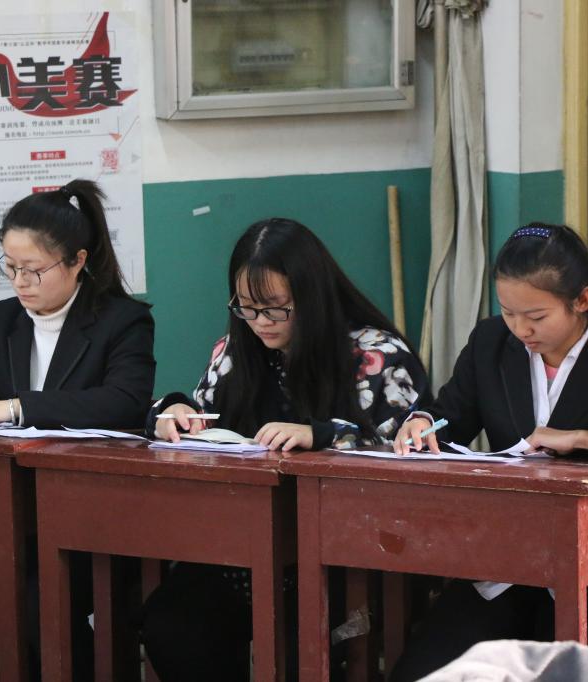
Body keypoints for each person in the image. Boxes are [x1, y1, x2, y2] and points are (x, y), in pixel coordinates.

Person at [389, 223, 588, 681]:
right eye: (508, 312)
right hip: (503, 565)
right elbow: (451, 414)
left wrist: (585, 439)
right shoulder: (491, 342)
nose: (520, 329)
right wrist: (423, 421)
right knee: (425, 673)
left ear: (582, 300)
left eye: (537, 317)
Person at [141, 217, 429, 681]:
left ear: (312, 297)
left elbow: (410, 453)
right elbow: (205, 422)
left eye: (276, 309)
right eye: (247, 308)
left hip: (346, 559)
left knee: (300, 656)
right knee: (171, 626)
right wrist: (174, 412)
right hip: (243, 550)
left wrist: (322, 436)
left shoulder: (376, 356)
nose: (260, 322)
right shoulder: (234, 351)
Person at [0, 179, 155, 679]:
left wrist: (15, 407)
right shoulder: (4, 321)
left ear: (77, 262)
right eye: (10, 267)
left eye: (33, 269)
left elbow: (124, 402)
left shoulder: (122, 321)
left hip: (97, 518)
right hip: (20, 517)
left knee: (39, 611)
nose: (19, 281)